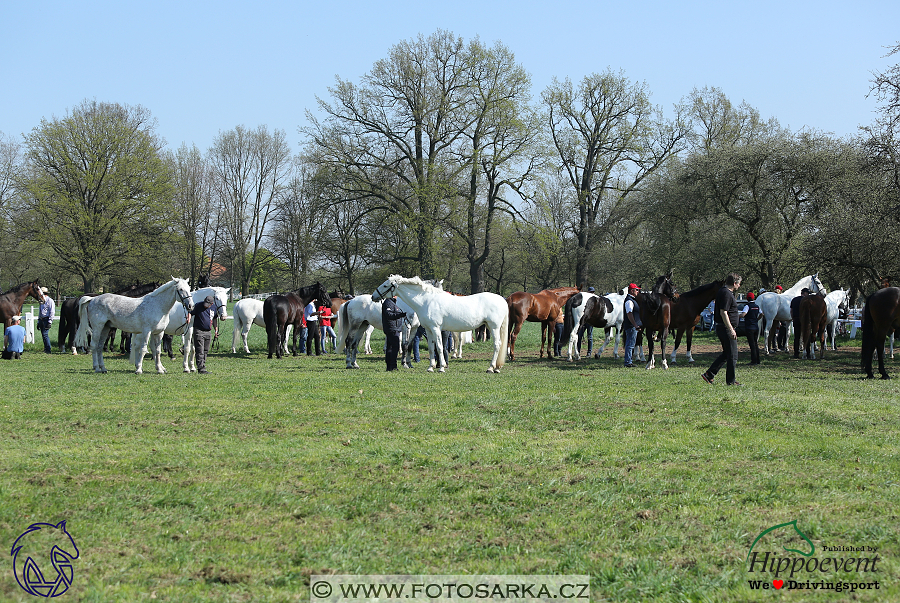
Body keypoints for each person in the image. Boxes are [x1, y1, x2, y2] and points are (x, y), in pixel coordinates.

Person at [701, 273, 743, 386]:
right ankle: (731, 381)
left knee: (727, 354)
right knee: (733, 355)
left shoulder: (724, 292)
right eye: (738, 284)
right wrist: (730, 329)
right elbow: (723, 312)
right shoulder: (726, 293)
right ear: (734, 283)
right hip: (725, 328)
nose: (739, 286)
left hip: (723, 327)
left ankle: (709, 374)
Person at [381, 294, 407, 371]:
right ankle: (392, 365)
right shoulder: (388, 302)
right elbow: (389, 314)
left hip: (395, 327)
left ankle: (390, 366)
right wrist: (400, 315)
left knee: (390, 347)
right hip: (392, 328)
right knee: (394, 347)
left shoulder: (394, 302)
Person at [191, 295, 215, 374]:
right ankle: (201, 368)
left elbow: (214, 319)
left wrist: (216, 330)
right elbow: (190, 312)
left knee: (205, 350)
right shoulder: (198, 305)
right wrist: (188, 318)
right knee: (200, 350)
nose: (205, 305)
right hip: (199, 331)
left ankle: (202, 365)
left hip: (208, 331)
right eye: (205, 303)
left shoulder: (213, 308)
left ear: (211, 304)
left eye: (208, 304)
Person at [621, 283, 642, 367]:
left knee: (630, 344)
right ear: (632, 291)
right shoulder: (629, 301)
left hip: (632, 326)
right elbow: (629, 314)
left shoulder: (631, 300)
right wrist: (635, 325)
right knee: (630, 344)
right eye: (637, 290)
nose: (638, 291)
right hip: (631, 326)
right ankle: (628, 362)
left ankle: (629, 360)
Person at [740, 291, 761, 365]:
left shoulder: (747, 306)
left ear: (747, 298)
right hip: (756, 327)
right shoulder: (757, 306)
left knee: (752, 345)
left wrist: (736, 315)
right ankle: (758, 360)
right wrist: (757, 319)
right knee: (756, 344)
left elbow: (743, 315)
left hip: (749, 327)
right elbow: (762, 314)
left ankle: (753, 360)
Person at [791, 287, 810, 358]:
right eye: (808, 293)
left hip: (796, 319)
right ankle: (808, 353)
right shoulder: (807, 300)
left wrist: (793, 318)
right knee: (806, 336)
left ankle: (796, 353)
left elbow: (791, 311)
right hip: (805, 320)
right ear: (805, 293)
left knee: (797, 337)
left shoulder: (794, 299)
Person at [37, 287, 55, 354]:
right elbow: (40, 311)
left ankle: (48, 349)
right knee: (43, 335)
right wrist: (38, 321)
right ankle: (46, 348)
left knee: (45, 334)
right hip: (42, 319)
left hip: (46, 319)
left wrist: (50, 321)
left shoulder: (50, 301)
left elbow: (52, 311)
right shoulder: (41, 301)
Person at [579, 286, 595, 356]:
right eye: (590, 292)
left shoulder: (595, 300)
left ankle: (589, 352)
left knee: (590, 337)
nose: (592, 293)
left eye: (592, 292)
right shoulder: (584, 300)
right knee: (579, 336)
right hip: (583, 321)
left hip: (590, 321)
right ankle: (578, 351)